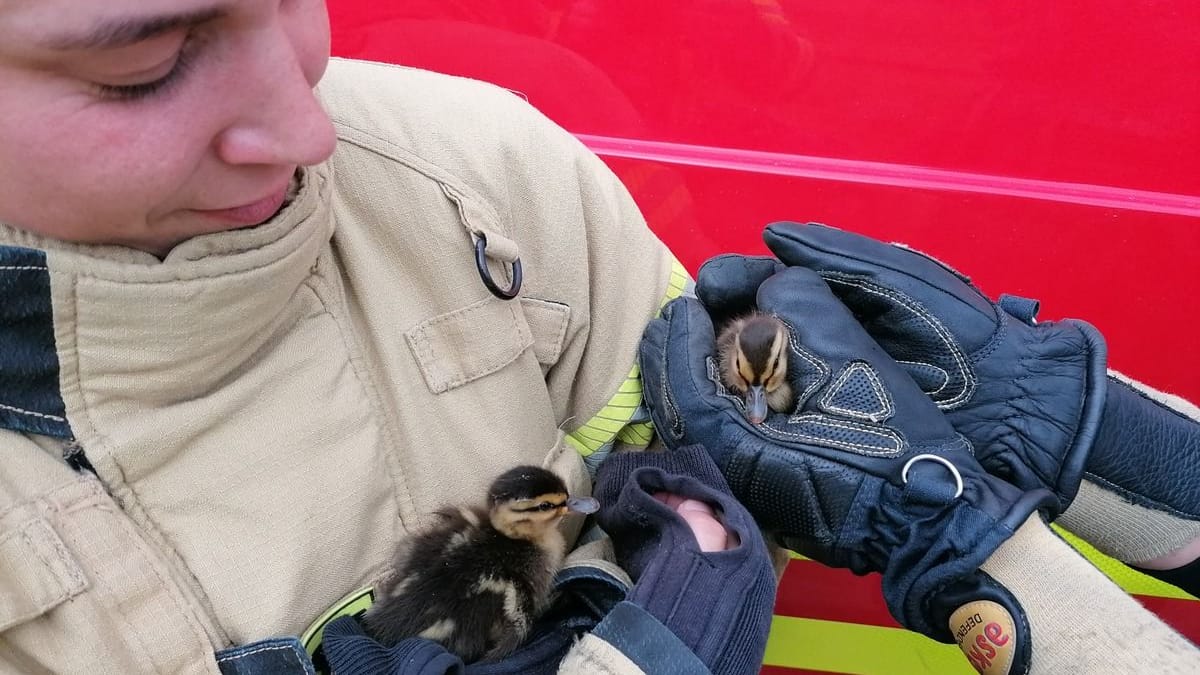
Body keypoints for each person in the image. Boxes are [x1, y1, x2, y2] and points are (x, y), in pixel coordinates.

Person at [0, 2, 1195, 675]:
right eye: (144, 71)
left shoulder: (470, 172)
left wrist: (1077, 444)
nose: (310, 124)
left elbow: (697, 422)